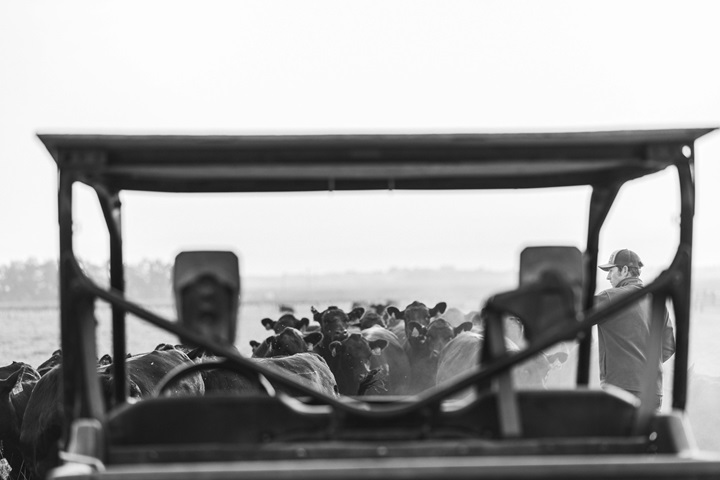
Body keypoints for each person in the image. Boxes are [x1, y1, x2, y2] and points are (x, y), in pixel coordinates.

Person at [595, 249, 676, 411]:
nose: (608, 277)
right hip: (654, 391)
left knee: (616, 436)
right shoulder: (656, 301)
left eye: (611, 271)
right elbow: (669, 346)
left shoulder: (609, 298)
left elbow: (574, 315)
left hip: (620, 389)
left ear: (624, 270)